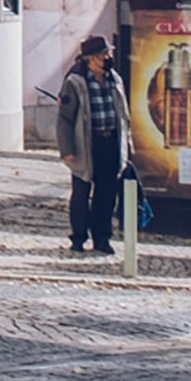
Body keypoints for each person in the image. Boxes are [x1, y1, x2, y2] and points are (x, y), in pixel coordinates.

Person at [56, 35, 129, 257]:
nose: (107, 59)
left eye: (108, 54)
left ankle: (102, 238)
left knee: (107, 194)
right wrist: (67, 149)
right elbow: (65, 118)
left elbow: (124, 115)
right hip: (85, 143)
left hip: (111, 142)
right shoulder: (75, 82)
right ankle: (78, 238)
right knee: (81, 192)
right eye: (102, 56)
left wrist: (127, 144)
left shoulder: (114, 79)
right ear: (89, 59)